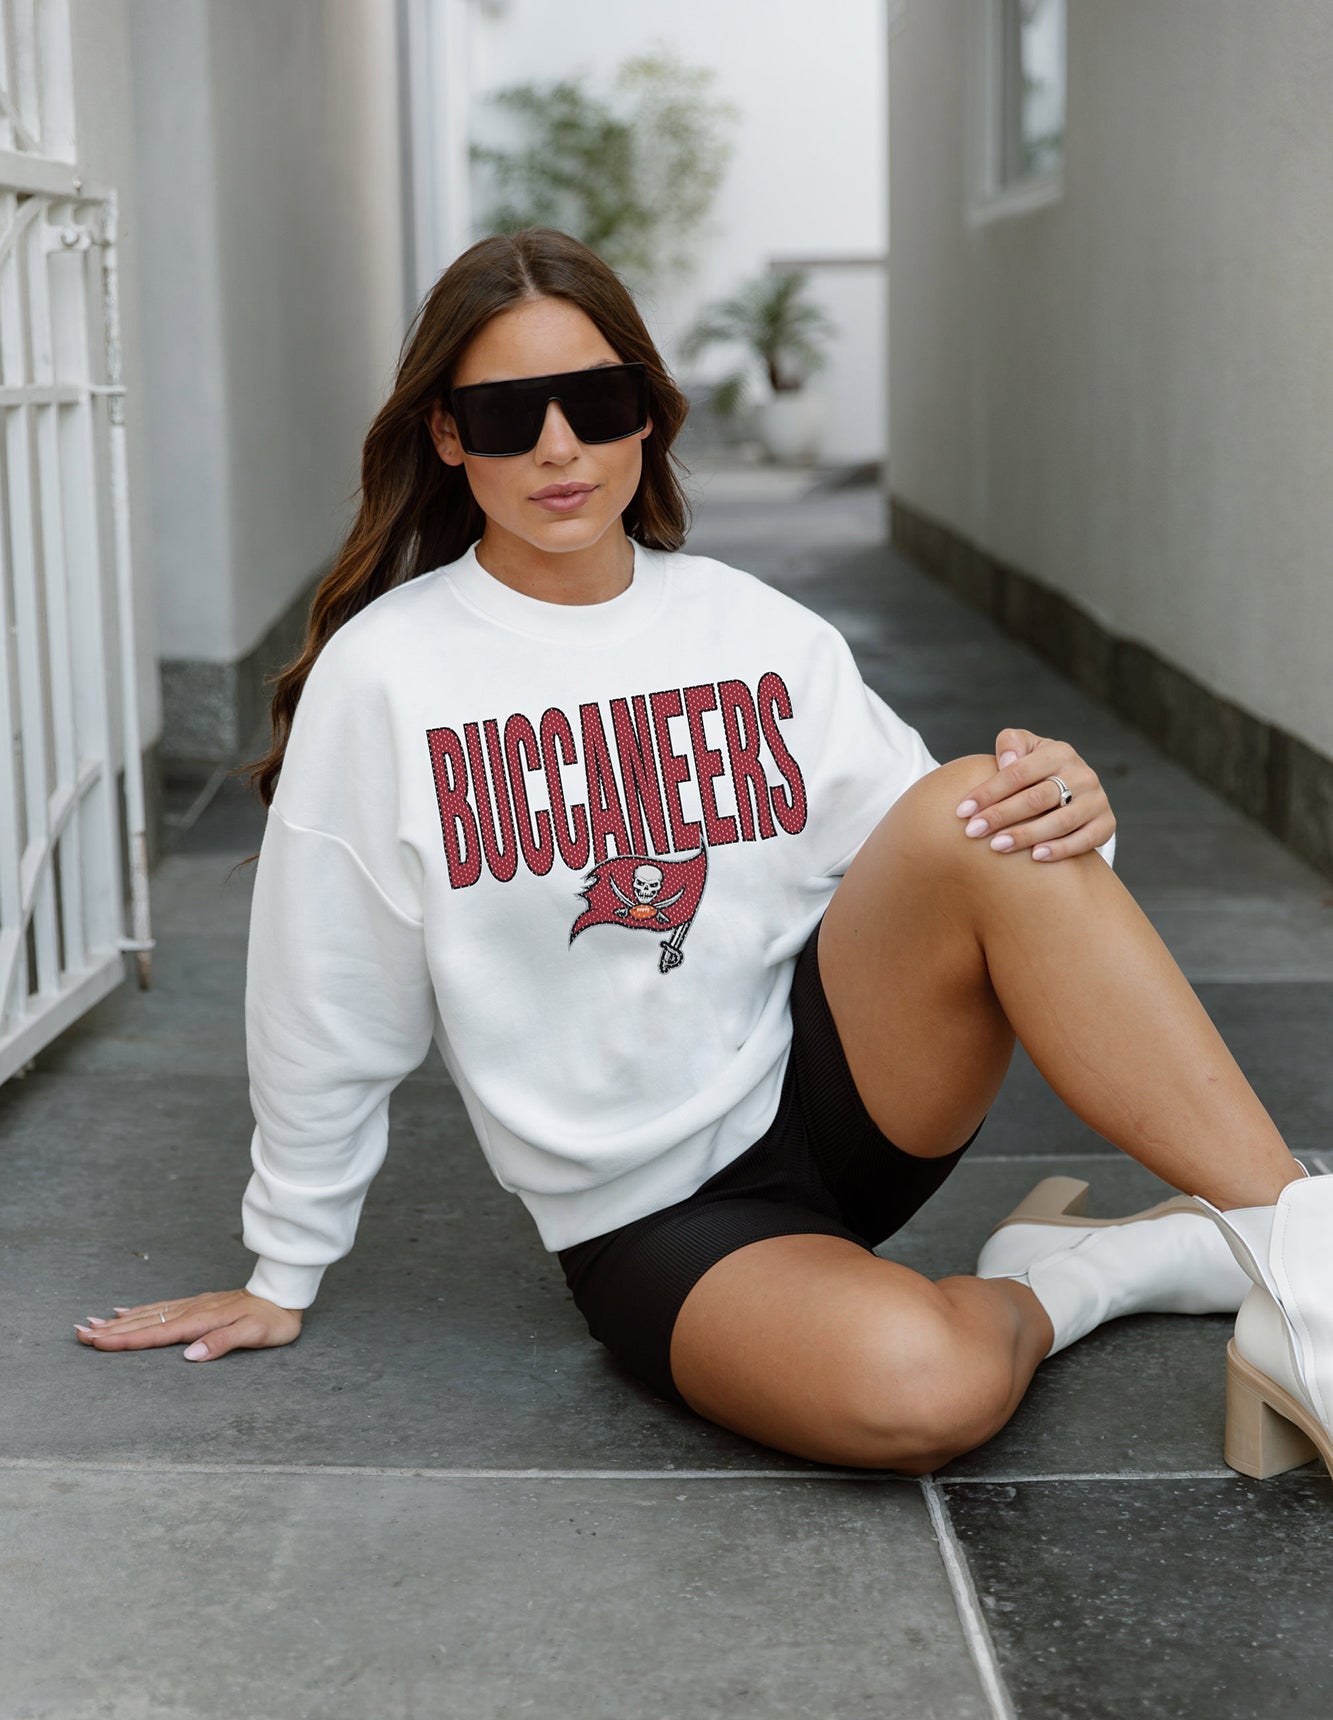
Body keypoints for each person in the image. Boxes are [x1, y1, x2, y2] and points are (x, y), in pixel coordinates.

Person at [76, 228, 1331, 1483]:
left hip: (843, 1097)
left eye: (595, 401)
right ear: (448, 436)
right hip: (652, 1215)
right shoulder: (388, 676)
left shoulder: (754, 629)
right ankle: (1087, 1273)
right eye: (508, 414)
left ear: (646, 413)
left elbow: (965, 867)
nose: (559, 447)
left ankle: (1309, 1278)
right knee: (923, 1391)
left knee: (978, 804)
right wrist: (283, 1264)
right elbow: (327, 994)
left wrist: (1059, 802)